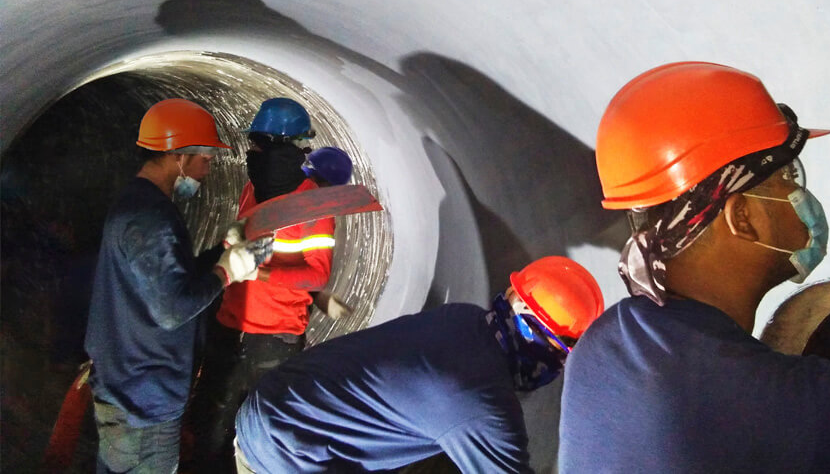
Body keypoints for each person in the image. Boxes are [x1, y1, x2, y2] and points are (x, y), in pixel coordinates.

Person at [559, 62, 830, 472]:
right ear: (742, 216)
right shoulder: (783, 404)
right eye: (788, 176)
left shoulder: (600, 345)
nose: (800, 192)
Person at [234, 256, 604, 473]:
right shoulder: (485, 407)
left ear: (510, 297)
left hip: (275, 404)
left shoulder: (466, 318)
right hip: (286, 452)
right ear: (549, 351)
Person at [84, 98, 273, 474]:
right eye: (204, 159)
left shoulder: (138, 203)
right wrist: (226, 273)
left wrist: (221, 253)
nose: (207, 170)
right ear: (179, 157)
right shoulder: (152, 218)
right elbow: (173, 309)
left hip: (126, 379)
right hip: (145, 397)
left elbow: (165, 280)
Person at [190, 98, 353, 470]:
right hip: (228, 328)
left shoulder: (314, 204)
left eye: (258, 145)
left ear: (279, 146)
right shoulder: (252, 189)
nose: (253, 153)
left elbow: (316, 272)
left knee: (259, 442)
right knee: (208, 433)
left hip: (274, 339)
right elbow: (241, 243)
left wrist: (259, 273)